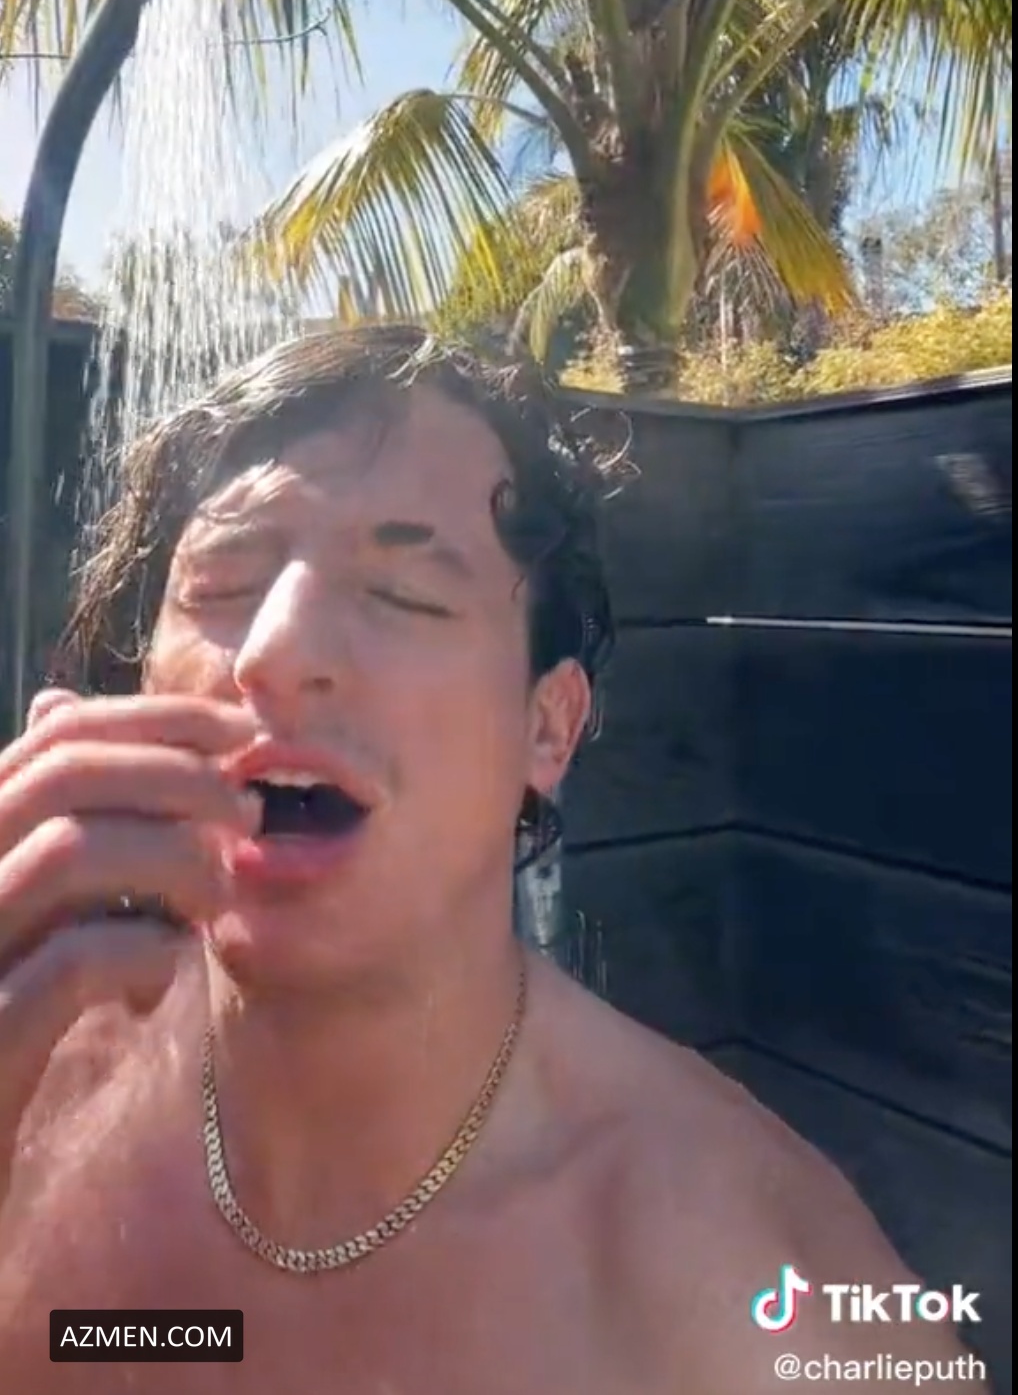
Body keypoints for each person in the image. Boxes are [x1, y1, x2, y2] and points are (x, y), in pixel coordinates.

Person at [0, 326, 981, 1393]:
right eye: (222, 584)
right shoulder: (33, 1068)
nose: (276, 651)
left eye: (404, 594)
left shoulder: (758, 1299)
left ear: (547, 730)